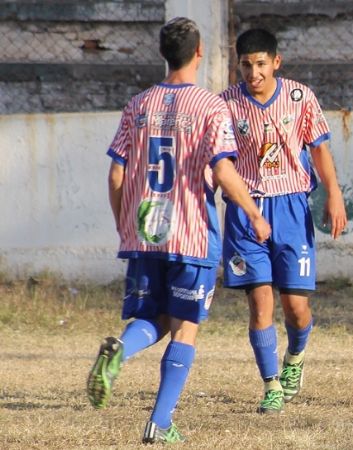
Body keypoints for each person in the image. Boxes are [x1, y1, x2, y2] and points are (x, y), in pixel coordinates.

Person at [86, 17, 270, 444]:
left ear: (162, 54)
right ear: (199, 52)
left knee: (156, 318)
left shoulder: (138, 105)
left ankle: (121, 350)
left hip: (146, 231)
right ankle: (160, 422)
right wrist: (254, 213)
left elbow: (116, 173)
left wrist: (123, 223)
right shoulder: (209, 107)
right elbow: (222, 170)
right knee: (185, 326)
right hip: (191, 233)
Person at [219, 28, 347, 414]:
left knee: (295, 307)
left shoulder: (299, 97)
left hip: (292, 208)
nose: (253, 73)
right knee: (260, 305)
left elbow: (319, 150)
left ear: (276, 62)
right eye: (246, 65)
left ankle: (295, 357)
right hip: (246, 212)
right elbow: (218, 161)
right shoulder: (225, 104)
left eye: (260, 64)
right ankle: (271, 384)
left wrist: (333, 193)